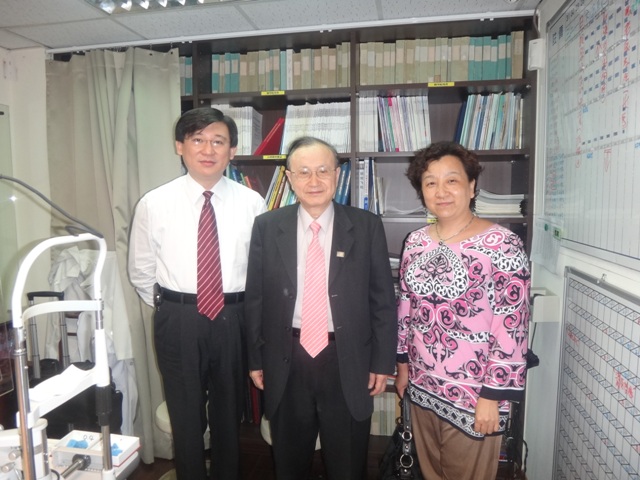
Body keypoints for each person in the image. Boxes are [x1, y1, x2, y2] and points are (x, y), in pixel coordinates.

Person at [244, 136, 397, 480]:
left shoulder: (366, 225)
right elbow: (256, 298)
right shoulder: (267, 226)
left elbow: (383, 302)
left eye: (323, 171)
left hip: (347, 359)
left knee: (347, 464)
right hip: (286, 356)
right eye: (303, 172)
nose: (314, 181)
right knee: (289, 463)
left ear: (338, 175)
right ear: (289, 178)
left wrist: (382, 361)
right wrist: (255, 358)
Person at [128, 107, 266, 480]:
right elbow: (141, 270)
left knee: (228, 413)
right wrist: (175, 307)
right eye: (198, 140)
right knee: (185, 414)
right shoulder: (154, 203)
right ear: (180, 146)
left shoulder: (252, 203)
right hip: (178, 319)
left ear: (232, 150)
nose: (208, 149)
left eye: (218, 141)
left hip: (234, 317)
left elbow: (261, 270)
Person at [395, 141, 530, 480]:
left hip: (475, 395)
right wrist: (402, 368)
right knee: (430, 473)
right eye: (430, 182)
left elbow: (512, 324)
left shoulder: (502, 244)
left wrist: (492, 396)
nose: (441, 191)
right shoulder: (415, 242)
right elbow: (406, 308)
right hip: (422, 386)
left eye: (452, 180)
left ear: (471, 186)